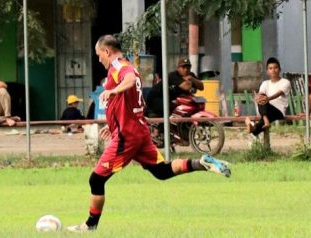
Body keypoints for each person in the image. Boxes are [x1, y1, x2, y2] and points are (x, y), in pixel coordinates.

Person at [66, 35, 231, 232]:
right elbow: (129, 102)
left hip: (127, 136)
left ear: (107, 51)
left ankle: (90, 226)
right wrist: (113, 124)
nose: (98, 58)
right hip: (138, 130)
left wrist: (113, 91)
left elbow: (131, 78)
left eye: (98, 54)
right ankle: (201, 162)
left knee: (96, 179)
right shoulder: (123, 64)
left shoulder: (119, 66)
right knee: (162, 172)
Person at [245, 57, 291, 140]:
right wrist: (258, 98)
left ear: (279, 69)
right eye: (270, 68)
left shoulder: (286, 82)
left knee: (263, 100)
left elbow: (279, 93)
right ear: (267, 71)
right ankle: (254, 127)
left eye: (275, 68)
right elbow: (261, 94)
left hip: (279, 111)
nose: (273, 70)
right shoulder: (265, 83)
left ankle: (263, 120)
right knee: (261, 99)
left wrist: (268, 99)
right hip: (266, 110)